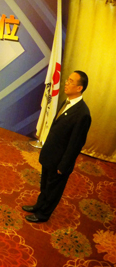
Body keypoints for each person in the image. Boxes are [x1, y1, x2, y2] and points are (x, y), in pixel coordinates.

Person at [22, 71, 92, 223]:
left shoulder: (83, 114)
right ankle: (39, 205)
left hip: (60, 161)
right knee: (45, 184)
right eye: (67, 80)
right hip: (51, 155)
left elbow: (76, 144)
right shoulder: (66, 102)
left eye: (71, 81)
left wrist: (64, 165)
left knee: (53, 189)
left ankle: (43, 214)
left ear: (79, 88)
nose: (66, 83)